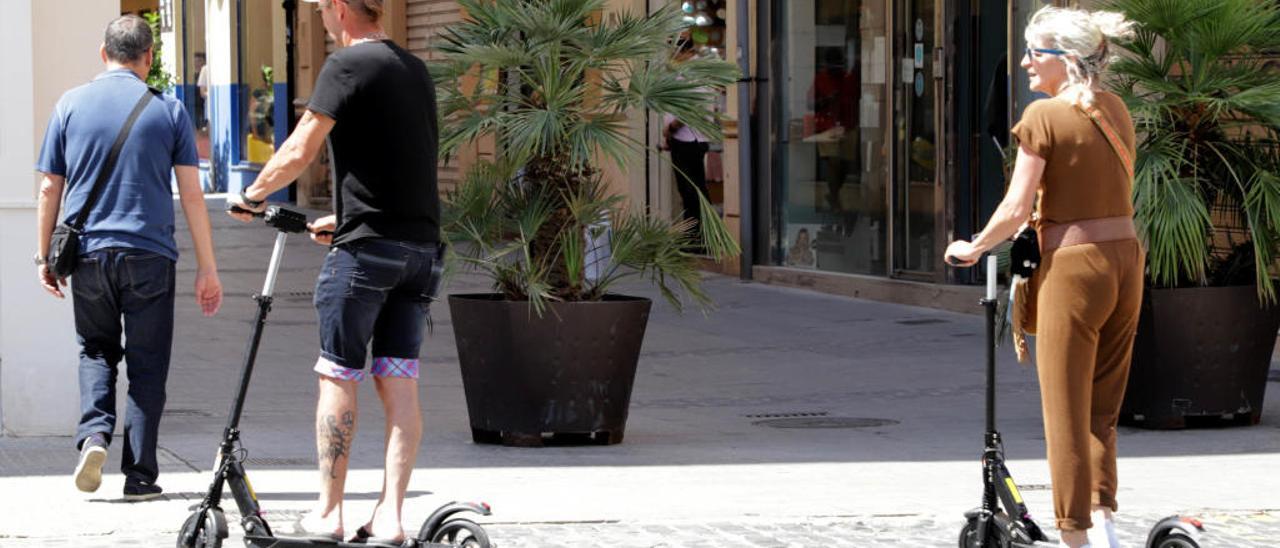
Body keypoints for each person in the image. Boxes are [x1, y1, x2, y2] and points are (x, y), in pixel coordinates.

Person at [226, 0, 440, 544]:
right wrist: (344, 218)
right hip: (418, 251)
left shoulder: (346, 64)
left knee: (338, 375)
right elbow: (404, 161)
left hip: (367, 255)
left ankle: (327, 513)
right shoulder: (413, 68)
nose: (319, 15)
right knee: (399, 381)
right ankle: (391, 516)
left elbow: (300, 147)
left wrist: (251, 196)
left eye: (321, 6)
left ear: (342, 8)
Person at [943, 7, 1138, 548]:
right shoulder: (1117, 109)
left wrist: (973, 247)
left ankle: (1074, 537)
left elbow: (1013, 208)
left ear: (1067, 59)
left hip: (1074, 269)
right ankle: (1106, 533)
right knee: (1102, 411)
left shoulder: (1044, 116)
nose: (1025, 63)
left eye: (1036, 53)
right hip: (1125, 260)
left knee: (1066, 412)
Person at [35, 15, 223, 501]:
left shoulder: (69, 105)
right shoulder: (171, 111)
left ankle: (94, 435)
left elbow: (48, 187)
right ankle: (139, 476)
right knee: (147, 363)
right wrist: (208, 267)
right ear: (149, 58)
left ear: (103, 54)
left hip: (90, 255)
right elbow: (193, 196)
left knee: (96, 349)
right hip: (150, 255)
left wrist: (44, 258)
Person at [662, 39, 713, 244]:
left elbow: (691, 109)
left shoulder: (693, 73)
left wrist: (672, 127)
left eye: (672, 52)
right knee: (692, 189)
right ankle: (697, 235)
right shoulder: (686, 72)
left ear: (682, 52)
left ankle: (699, 237)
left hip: (688, 138)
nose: (670, 57)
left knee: (691, 190)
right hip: (684, 138)